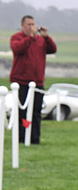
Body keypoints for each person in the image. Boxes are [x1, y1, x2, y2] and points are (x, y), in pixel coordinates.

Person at [9, 15, 57, 144]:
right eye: (29, 25)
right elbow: (18, 49)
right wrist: (30, 38)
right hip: (21, 82)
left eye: (33, 24)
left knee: (36, 112)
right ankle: (20, 137)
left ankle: (35, 138)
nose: (32, 27)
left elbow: (53, 49)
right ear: (23, 26)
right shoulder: (16, 38)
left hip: (37, 82)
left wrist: (46, 37)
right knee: (22, 111)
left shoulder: (40, 41)